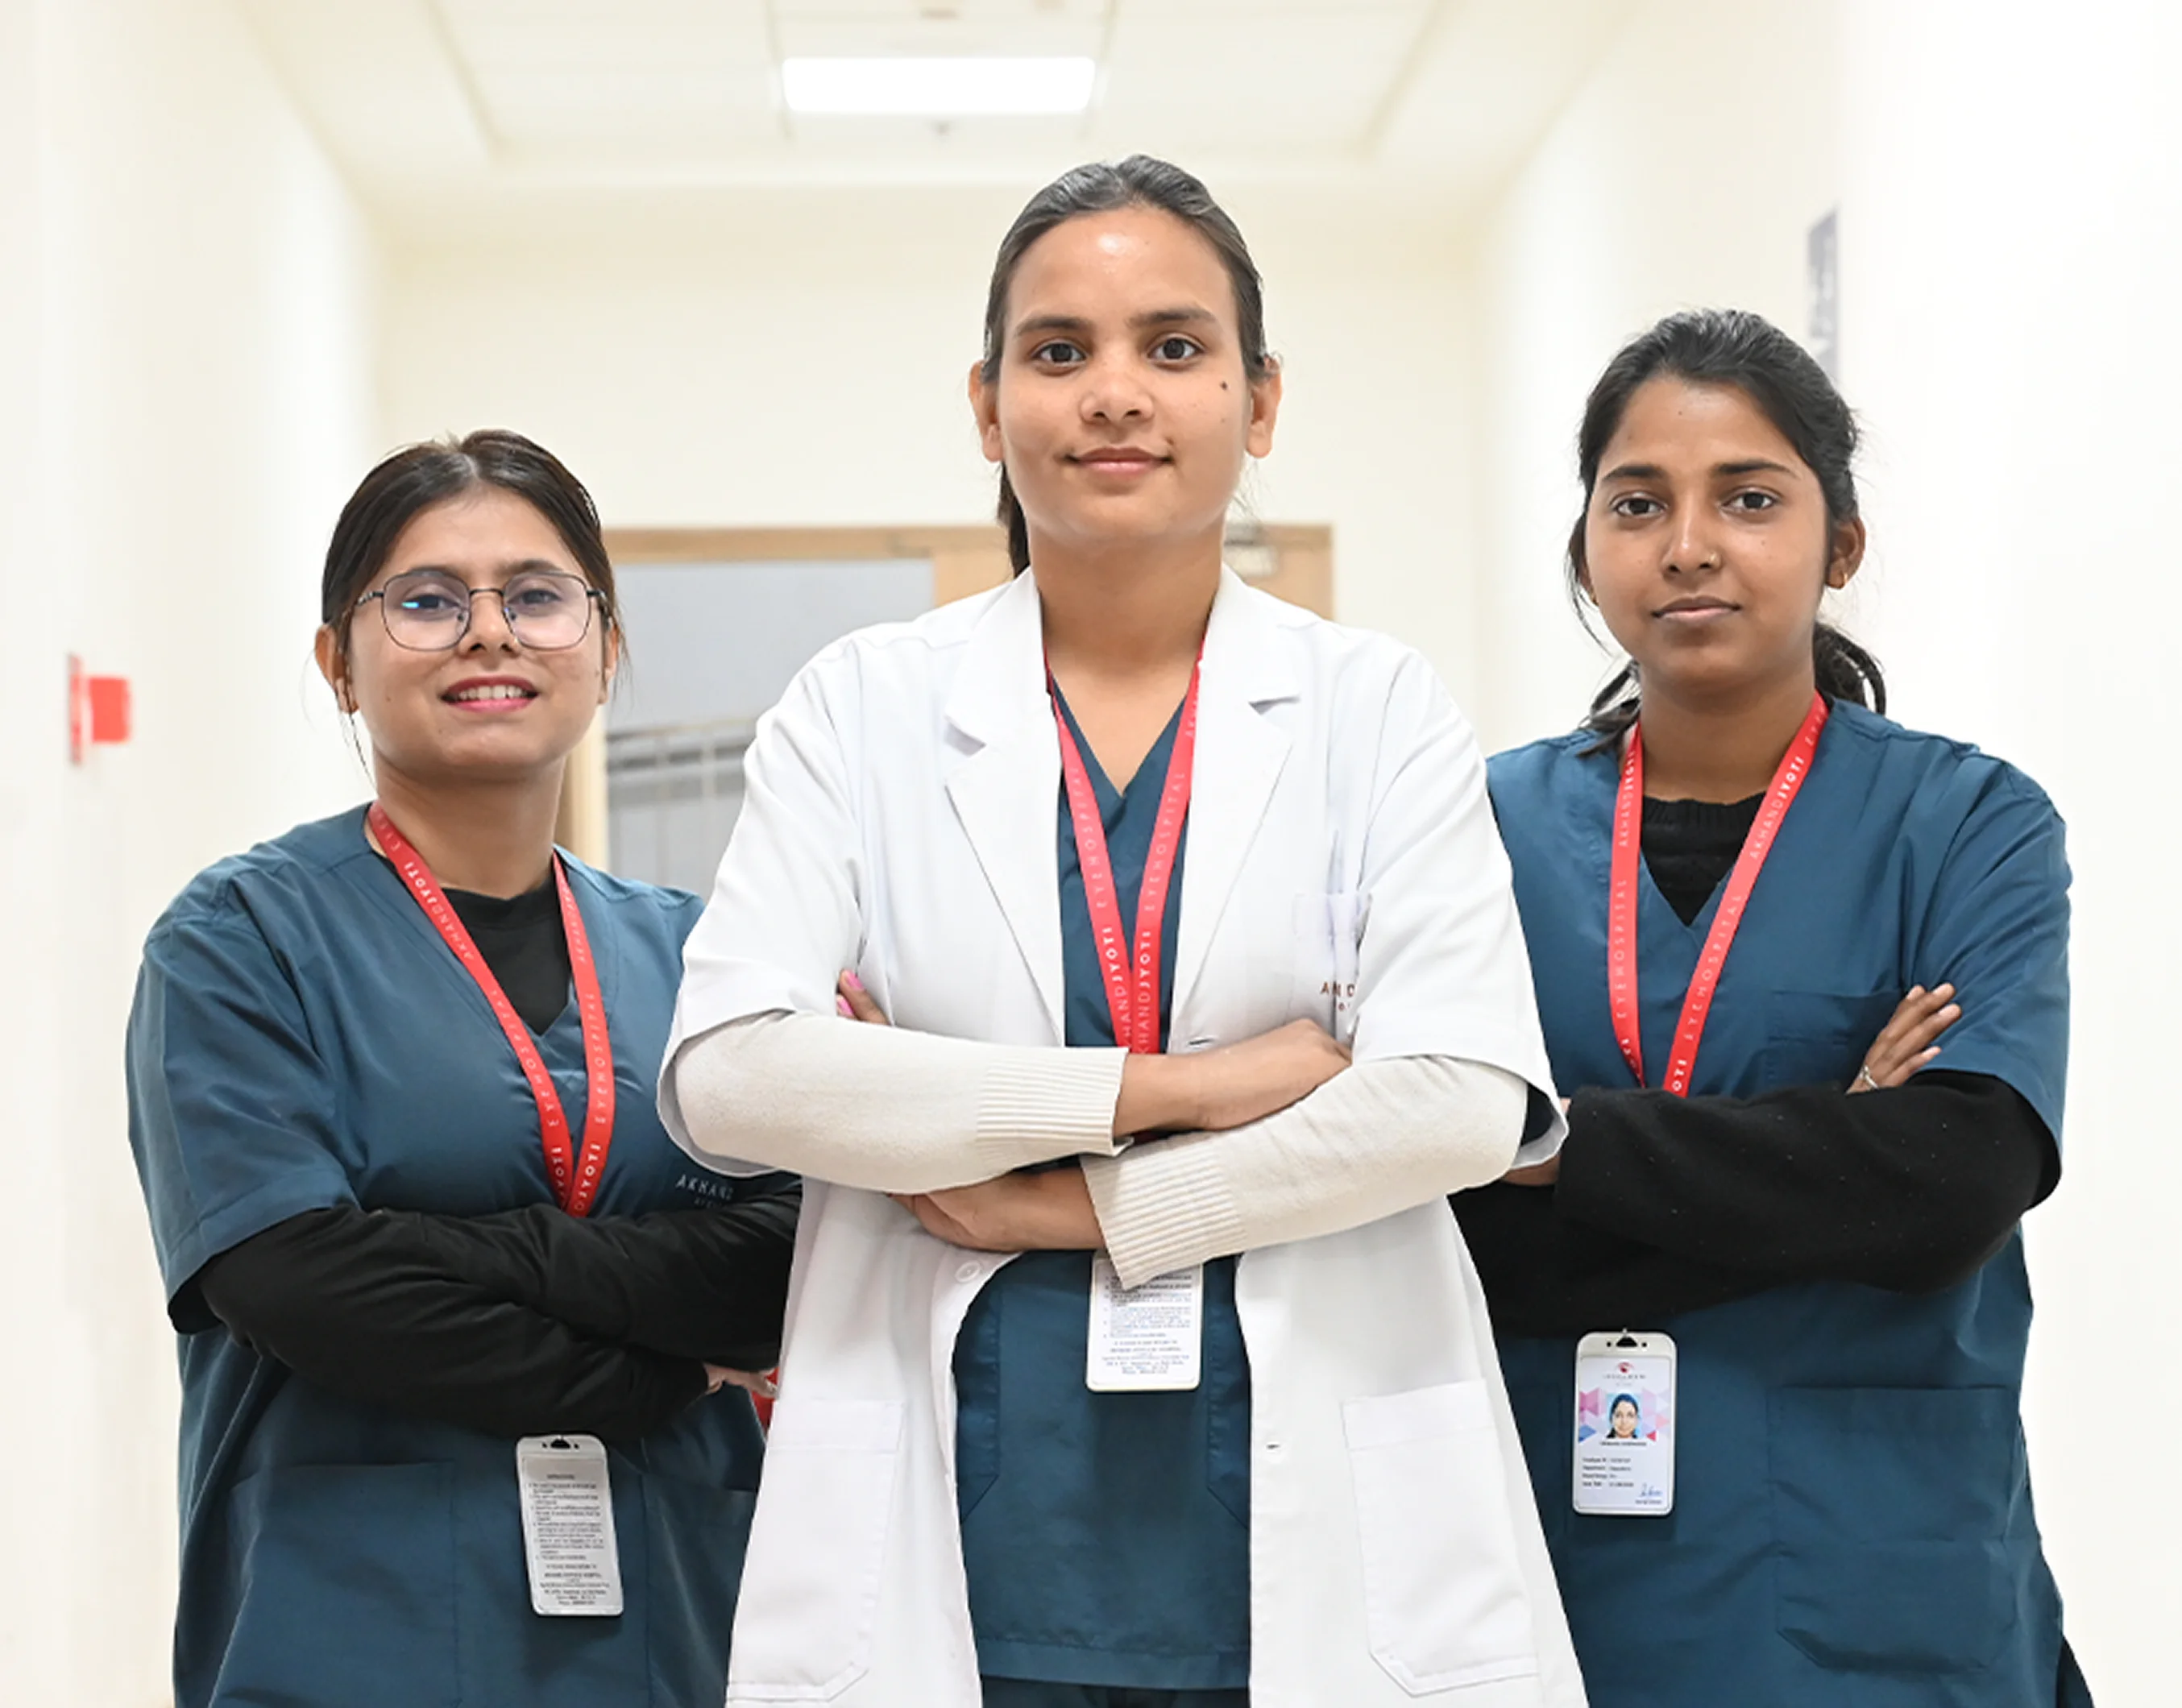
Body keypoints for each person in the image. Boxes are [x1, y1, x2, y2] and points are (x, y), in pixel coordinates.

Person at [658, 156, 1585, 1707]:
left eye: (1174, 347)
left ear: (1260, 400)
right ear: (985, 403)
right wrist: (1177, 1091)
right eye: (1058, 351)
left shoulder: (1375, 709)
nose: (1115, 396)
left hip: (1321, 1514)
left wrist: (1071, 1207)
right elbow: (736, 1078)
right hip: (961, 1513)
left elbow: (1462, 1099)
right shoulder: (864, 706)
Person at [1458, 309, 2090, 1706]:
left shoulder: (1969, 823)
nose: (1690, 544)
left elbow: (1950, 1185)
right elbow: (1441, 1228)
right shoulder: (1473, 830)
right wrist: (1829, 1157)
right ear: (1585, 552)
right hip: (1548, 1559)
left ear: (1839, 546)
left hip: (1878, 1563)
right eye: (1639, 503)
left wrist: (1550, 1142)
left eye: (1750, 497)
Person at [125, 431, 799, 1708]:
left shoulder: (704, 955)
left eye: (538, 596)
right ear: (339, 661)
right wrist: (659, 1373)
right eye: (426, 601)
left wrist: (460, 1252)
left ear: (604, 648)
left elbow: (789, 1258)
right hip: (351, 1629)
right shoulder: (240, 942)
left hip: (682, 1626)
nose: (489, 632)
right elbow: (297, 1281)